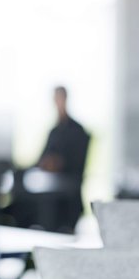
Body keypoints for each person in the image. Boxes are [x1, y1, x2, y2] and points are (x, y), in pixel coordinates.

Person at [35, 86, 90, 231]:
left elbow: (78, 164)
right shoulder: (54, 131)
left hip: (67, 198)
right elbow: (40, 160)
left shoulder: (78, 131)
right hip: (49, 193)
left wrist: (58, 164)